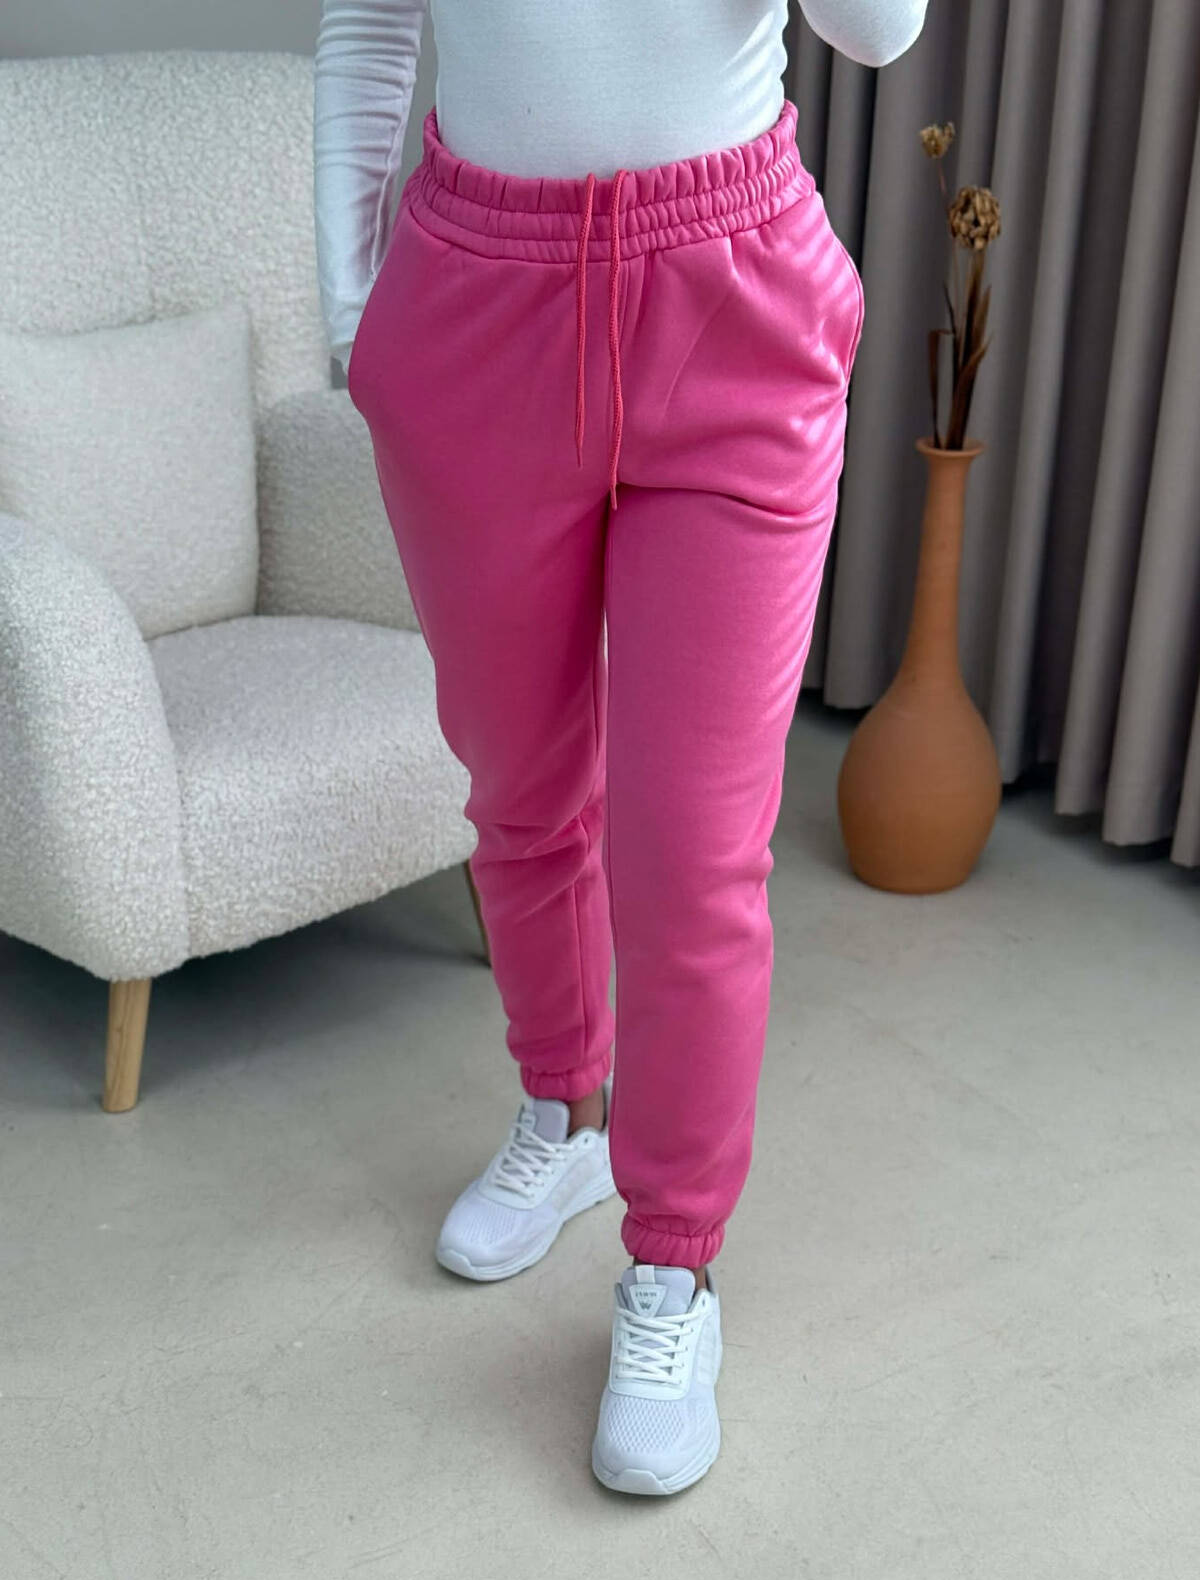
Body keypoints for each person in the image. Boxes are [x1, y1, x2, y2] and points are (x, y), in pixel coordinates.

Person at [313, 0, 928, 1496]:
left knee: (694, 851)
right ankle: (564, 1109)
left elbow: (881, 32)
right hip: (475, 297)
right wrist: (352, 319)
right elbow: (369, 23)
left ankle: (673, 1266)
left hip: (732, 297)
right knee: (520, 789)